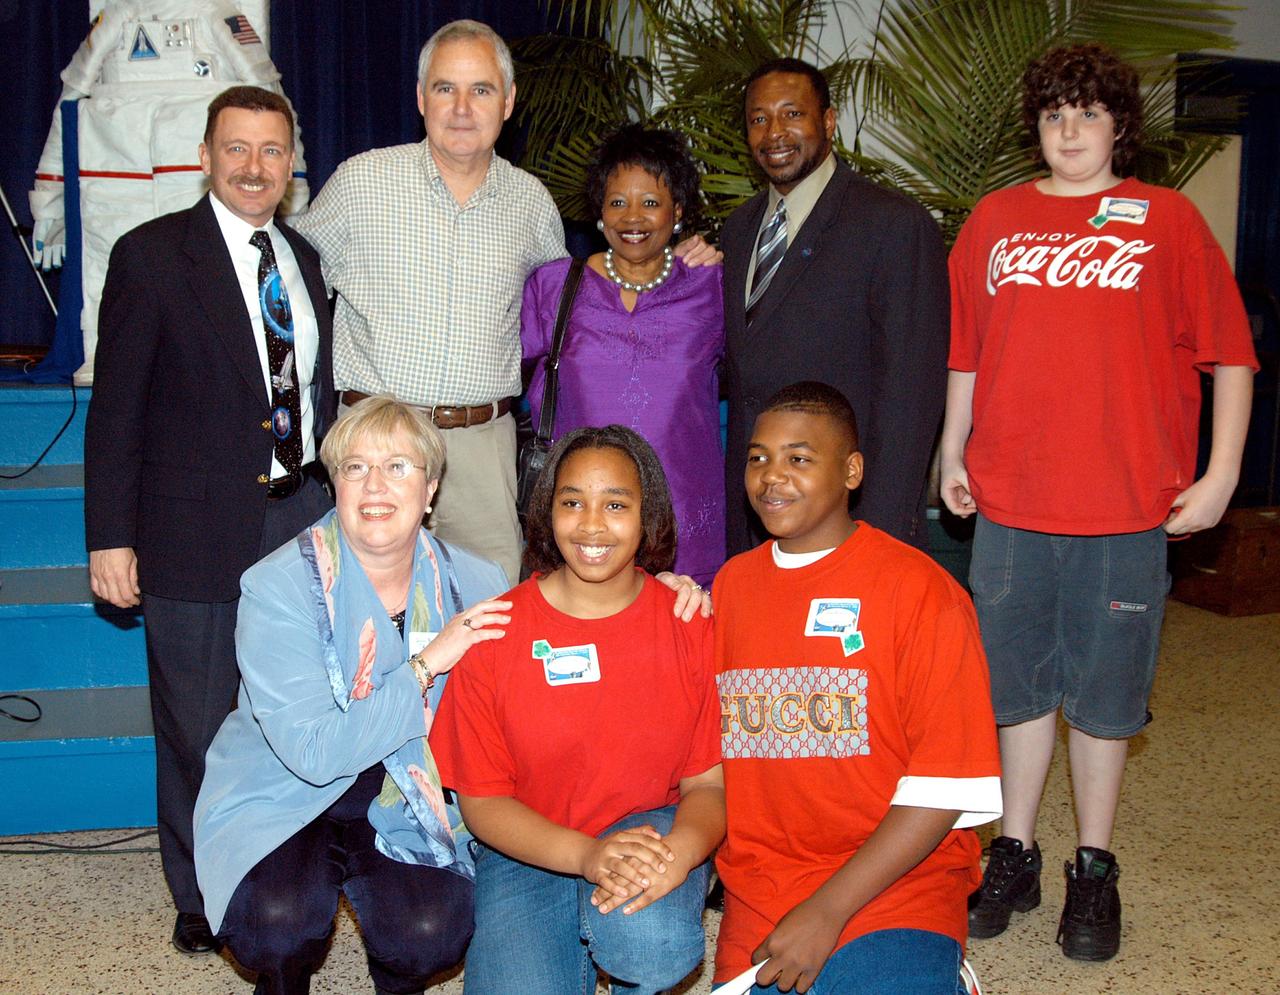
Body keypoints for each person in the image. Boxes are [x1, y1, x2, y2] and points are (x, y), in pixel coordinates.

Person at [940, 43, 1258, 962]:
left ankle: (1093, 862)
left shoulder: (1167, 221)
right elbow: (967, 352)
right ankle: (1017, 847)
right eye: (1052, 115)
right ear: (1035, 126)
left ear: (1120, 125)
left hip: (1127, 508)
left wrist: (1223, 473)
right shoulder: (994, 220)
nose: (1069, 131)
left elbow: (1230, 354)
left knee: (1107, 701)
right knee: (1018, 691)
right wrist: (950, 452)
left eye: (1087, 114)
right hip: (1010, 501)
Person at [296, 20, 719, 584]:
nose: (463, 107)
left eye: (482, 89)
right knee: (363, 604)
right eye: (446, 88)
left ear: (509, 101)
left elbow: (564, 303)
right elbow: (283, 278)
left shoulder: (531, 203)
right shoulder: (361, 182)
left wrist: (690, 252)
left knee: (492, 607)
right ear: (421, 98)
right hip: (378, 439)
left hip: (481, 447)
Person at [83, 84, 334, 956]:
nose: (255, 167)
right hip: (187, 531)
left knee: (288, 709)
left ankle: (279, 867)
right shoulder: (153, 257)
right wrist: (110, 535)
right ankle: (199, 892)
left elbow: (317, 395)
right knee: (195, 722)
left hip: (301, 518)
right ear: (205, 155)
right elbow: (115, 410)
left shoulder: (303, 258)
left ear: (292, 163)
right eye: (238, 148)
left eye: (273, 150)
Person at [193, 397, 508, 995]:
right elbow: (314, 754)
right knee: (274, 923)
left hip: (406, 783)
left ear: (431, 487)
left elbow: (553, 643)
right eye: (355, 467)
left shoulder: (478, 582)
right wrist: (429, 662)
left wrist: (662, 586)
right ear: (334, 483)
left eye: (398, 467)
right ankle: (281, 981)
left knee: (430, 931)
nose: (375, 486)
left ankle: (396, 975)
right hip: (288, 787)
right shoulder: (277, 586)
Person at [713, 382, 1001, 995]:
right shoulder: (732, 587)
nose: (771, 477)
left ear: (851, 471)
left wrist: (828, 909)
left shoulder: (921, 592)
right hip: (763, 884)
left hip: (897, 882)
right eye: (757, 457)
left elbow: (944, 786)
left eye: (798, 458)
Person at [430, 426, 725, 995]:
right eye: (572, 502)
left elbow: (709, 785)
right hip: (527, 846)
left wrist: (680, 856)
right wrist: (587, 856)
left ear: (648, 517)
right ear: (548, 511)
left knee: (654, 947)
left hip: (650, 829)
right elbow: (484, 802)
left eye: (616, 504)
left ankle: (622, 942)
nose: (592, 525)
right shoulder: (495, 632)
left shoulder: (689, 622)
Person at [720, 58, 948, 557]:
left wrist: (880, 531)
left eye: (791, 114)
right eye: (758, 119)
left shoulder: (893, 226)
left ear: (827, 121)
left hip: (851, 521)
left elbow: (912, 395)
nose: (774, 132)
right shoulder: (737, 233)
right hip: (758, 521)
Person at [521, 124, 725, 584]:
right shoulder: (554, 287)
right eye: (618, 202)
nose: (633, 217)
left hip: (686, 521)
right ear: (599, 211)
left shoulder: (712, 288)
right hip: (583, 519)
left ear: (679, 211)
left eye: (651, 203)